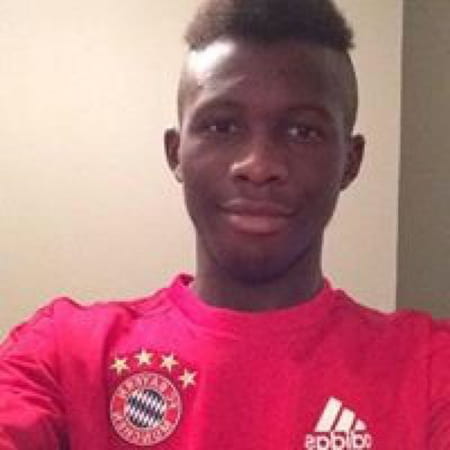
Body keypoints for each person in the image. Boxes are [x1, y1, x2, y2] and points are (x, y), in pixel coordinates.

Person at [1, 0, 449, 448]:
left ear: (350, 162)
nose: (259, 165)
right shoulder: (62, 357)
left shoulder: (430, 371)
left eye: (302, 131)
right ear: (176, 153)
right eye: (222, 126)